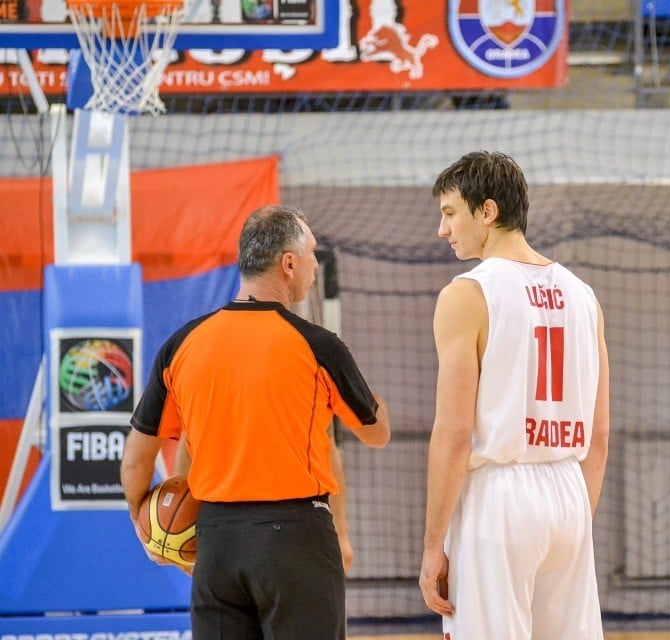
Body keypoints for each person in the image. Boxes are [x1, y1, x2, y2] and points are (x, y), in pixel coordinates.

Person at [121, 204, 391, 640]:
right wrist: (366, 390)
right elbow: (377, 433)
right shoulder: (318, 345)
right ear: (288, 263)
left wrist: (148, 527)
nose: (314, 269)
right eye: (311, 256)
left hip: (216, 543)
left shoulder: (182, 345)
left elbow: (136, 463)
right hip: (297, 541)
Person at [419, 151, 610, 639]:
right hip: (569, 491)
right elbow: (600, 434)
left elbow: (454, 433)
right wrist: (574, 521)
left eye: (449, 213)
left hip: (499, 496)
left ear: (487, 211)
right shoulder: (583, 294)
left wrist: (432, 544)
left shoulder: (466, 294)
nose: (443, 230)